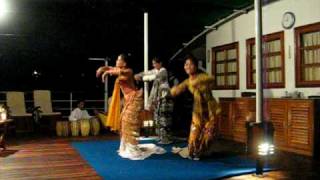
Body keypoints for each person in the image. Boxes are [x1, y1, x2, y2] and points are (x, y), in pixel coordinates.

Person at [96, 54, 165, 160]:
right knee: (123, 122)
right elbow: (111, 68)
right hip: (128, 101)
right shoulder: (119, 69)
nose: (116, 61)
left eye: (118, 60)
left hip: (134, 100)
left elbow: (117, 72)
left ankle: (132, 149)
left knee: (128, 123)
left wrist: (107, 72)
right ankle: (126, 147)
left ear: (124, 63)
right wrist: (102, 68)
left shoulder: (129, 71)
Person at [170, 54, 221, 160]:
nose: (188, 66)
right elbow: (178, 89)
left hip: (211, 110)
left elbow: (212, 79)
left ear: (196, 66)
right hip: (198, 111)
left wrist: (200, 81)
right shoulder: (187, 81)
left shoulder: (202, 77)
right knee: (194, 134)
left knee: (208, 135)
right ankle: (194, 151)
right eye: (186, 64)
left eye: (191, 64)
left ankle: (201, 151)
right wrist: (173, 90)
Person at [134, 57, 174, 144]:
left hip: (165, 97)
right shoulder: (156, 70)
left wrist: (144, 78)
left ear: (160, 63)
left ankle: (167, 139)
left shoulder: (163, 71)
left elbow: (154, 76)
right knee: (157, 117)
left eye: (155, 63)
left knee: (164, 118)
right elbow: (147, 73)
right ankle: (161, 136)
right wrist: (139, 75)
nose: (154, 65)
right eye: (153, 64)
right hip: (159, 98)